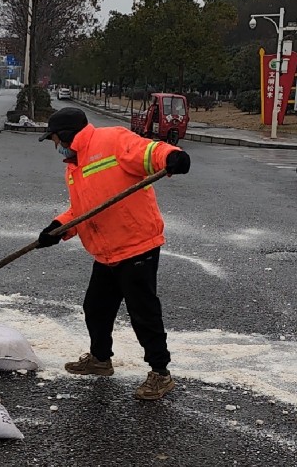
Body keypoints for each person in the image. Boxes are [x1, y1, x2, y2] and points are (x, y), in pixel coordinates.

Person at [36, 106, 190, 400]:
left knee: (143, 313)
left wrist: (172, 157)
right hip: (106, 250)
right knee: (96, 307)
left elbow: (149, 151)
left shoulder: (113, 140)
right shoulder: (74, 165)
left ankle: (161, 373)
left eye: (55, 139)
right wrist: (57, 229)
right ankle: (100, 359)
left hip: (136, 244)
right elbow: (82, 211)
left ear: (67, 135)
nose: (55, 145)